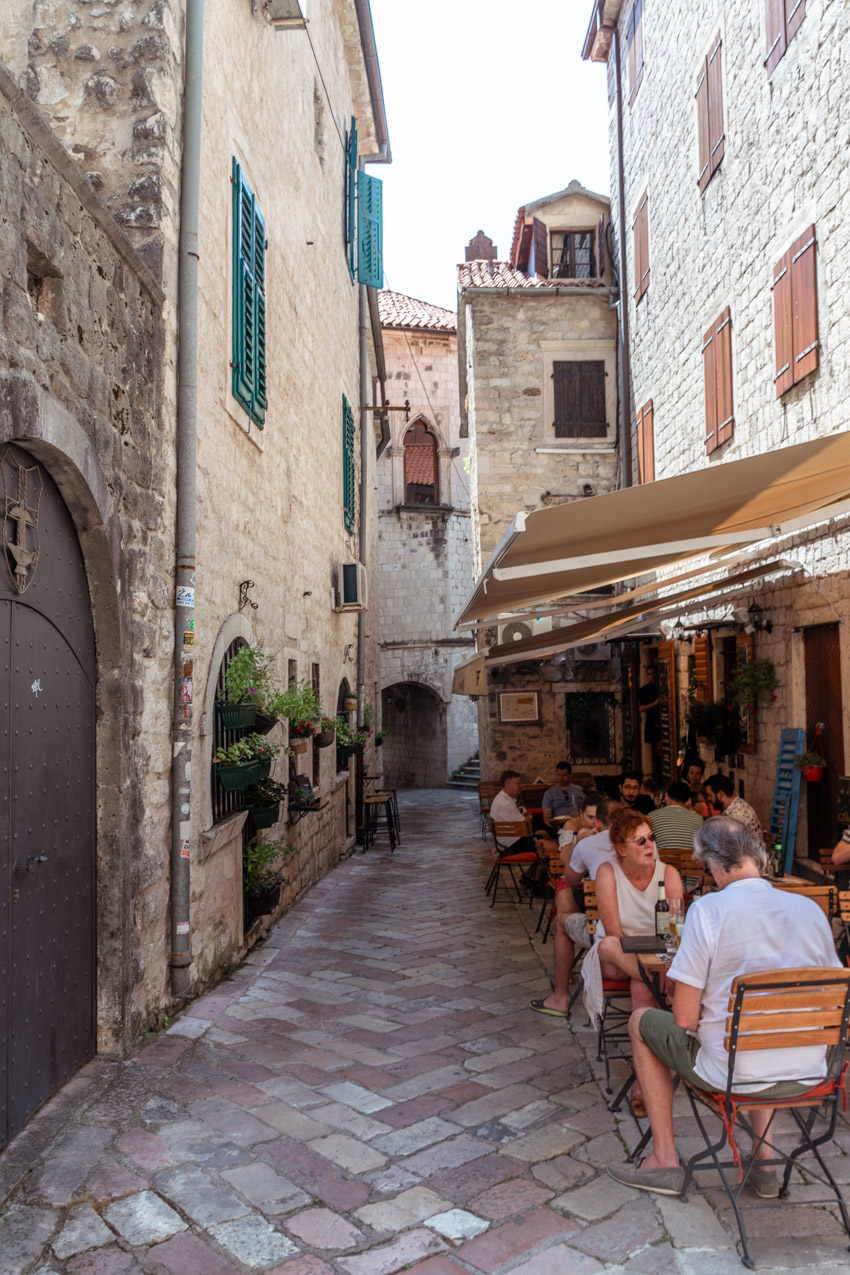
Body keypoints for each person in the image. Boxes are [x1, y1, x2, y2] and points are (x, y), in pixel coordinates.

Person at [608, 817, 843, 1198]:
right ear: (757, 858)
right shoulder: (810, 911)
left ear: (714, 867)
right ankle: (764, 1160)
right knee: (756, 1031)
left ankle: (664, 1158)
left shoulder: (709, 912)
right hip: (809, 1071)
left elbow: (684, 1018)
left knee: (640, 1021)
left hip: (733, 1073)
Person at [581, 808, 683, 1115]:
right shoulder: (607, 873)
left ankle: (643, 1082)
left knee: (642, 988)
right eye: (639, 841)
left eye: (651, 838)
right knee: (611, 944)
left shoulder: (670, 874)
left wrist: (661, 962)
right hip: (618, 955)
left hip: (656, 959)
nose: (649, 845)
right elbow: (614, 931)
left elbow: (675, 932)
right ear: (621, 849)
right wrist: (659, 966)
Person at [529, 797, 619, 1018]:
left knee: (563, 919)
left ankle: (560, 998)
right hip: (644, 928)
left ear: (598, 823)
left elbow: (570, 877)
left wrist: (581, 844)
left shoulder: (588, 843)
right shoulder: (646, 845)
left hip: (605, 932)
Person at [649, 781, 703, 850]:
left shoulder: (652, 816)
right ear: (688, 801)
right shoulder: (698, 819)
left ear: (666, 796)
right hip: (689, 860)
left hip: (661, 860)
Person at [707, 773, 762, 841]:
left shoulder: (735, 816)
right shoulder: (739, 804)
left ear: (720, 795)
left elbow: (729, 847)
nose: (708, 798)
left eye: (710, 795)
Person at [541, 761, 585, 827]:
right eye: (559, 775)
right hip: (558, 824)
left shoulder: (580, 790)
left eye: (564, 775)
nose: (561, 778)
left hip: (577, 822)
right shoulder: (549, 793)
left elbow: (587, 809)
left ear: (570, 776)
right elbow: (547, 818)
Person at [639, 663, 662, 781]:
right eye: (649, 674)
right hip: (653, 725)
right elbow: (640, 708)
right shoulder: (644, 690)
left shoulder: (663, 687)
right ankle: (657, 779)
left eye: (654, 673)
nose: (652, 676)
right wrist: (654, 703)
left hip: (664, 724)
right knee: (655, 754)